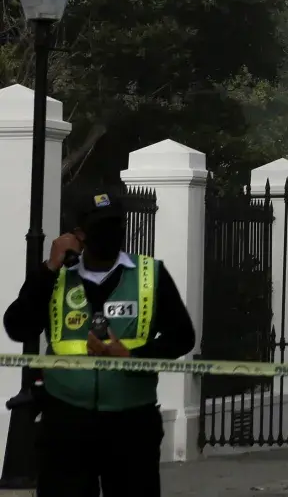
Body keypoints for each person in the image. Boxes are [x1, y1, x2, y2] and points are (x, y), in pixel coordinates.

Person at [4, 187, 196, 497]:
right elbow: (18, 327)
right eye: (99, 227)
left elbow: (183, 337)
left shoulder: (150, 274)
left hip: (131, 423)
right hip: (66, 423)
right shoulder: (56, 277)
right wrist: (48, 268)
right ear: (79, 234)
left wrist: (133, 356)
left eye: (115, 225)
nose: (109, 234)